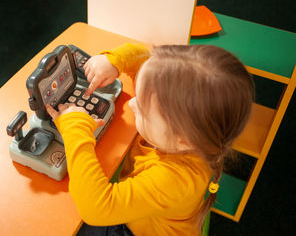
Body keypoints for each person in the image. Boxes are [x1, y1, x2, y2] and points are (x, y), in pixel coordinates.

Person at [46, 43, 254, 235]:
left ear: (183, 139)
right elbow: (145, 58)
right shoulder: (186, 132)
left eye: (143, 111)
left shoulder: (175, 180)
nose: (132, 104)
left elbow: (95, 208)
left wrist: (75, 127)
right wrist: (115, 61)